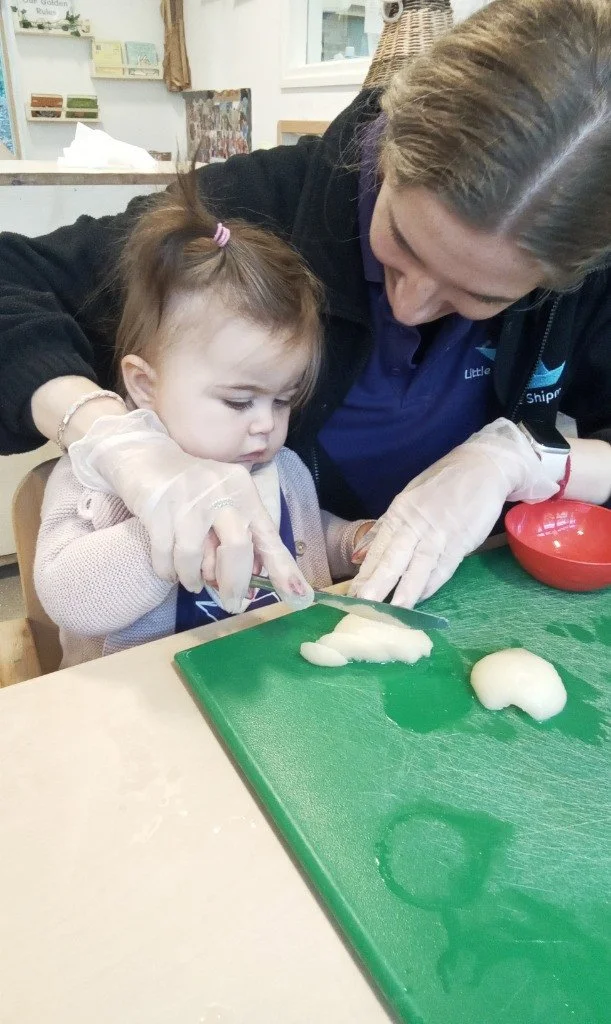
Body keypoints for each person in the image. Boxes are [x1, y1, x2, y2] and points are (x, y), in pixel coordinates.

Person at [1, 0, 609, 612]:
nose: (412, 305)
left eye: (481, 296)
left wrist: (525, 460)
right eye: (399, 242)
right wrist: (110, 438)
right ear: (387, 152)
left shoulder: (584, 274)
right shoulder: (249, 217)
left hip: (454, 595)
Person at [33, 176, 372, 666]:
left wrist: (352, 541)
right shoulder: (94, 480)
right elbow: (67, 596)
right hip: (138, 711)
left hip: (269, 686)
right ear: (145, 385)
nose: (265, 425)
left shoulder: (281, 467)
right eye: (239, 402)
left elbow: (305, 530)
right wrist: (168, 530)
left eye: (282, 401)